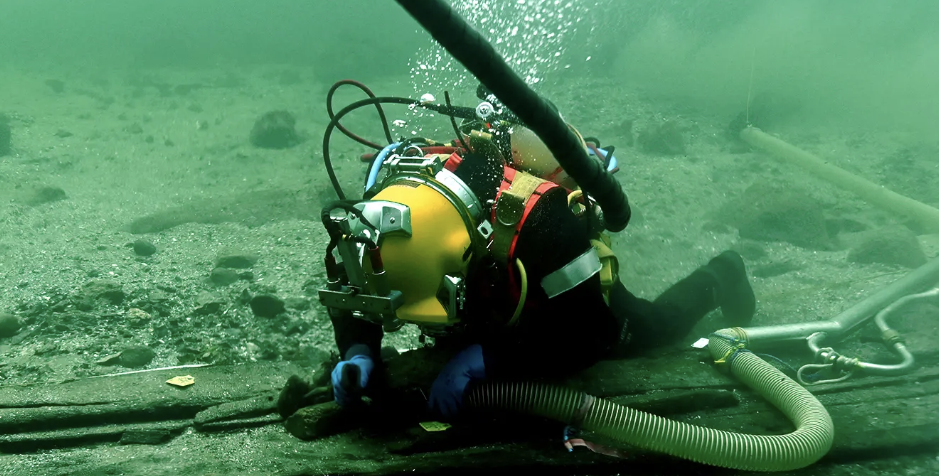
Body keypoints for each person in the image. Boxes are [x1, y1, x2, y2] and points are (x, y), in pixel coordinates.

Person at [320, 111, 756, 420]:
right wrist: (359, 350)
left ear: (464, 257)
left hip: (555, 302)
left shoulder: (545, 221)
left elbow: (591, 334)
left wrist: (492, 358)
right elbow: (355, 291)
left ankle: (723, 274)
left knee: (651, 328)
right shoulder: (377, 216)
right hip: (494, 295)